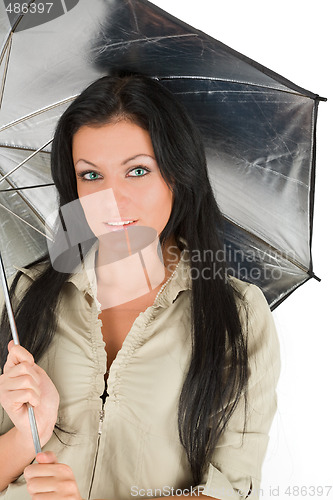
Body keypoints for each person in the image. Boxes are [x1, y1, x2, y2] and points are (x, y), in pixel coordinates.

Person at [0, 74, 280, 500]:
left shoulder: (237, 313)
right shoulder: (28, 293)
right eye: (91, 176)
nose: (113, 198)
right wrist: (26, 437)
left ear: (177, 173)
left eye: (137, 170)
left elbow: (234, 489)